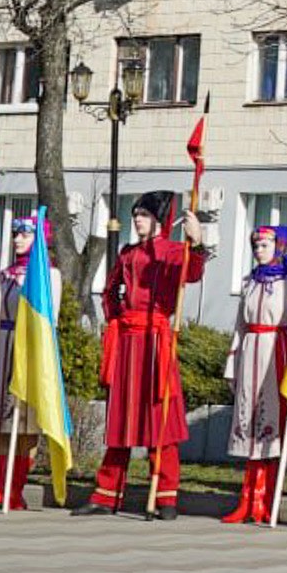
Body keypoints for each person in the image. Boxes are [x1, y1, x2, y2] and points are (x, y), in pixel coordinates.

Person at [74, 191, 206, 519]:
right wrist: (115, 316)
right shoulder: (127, 252)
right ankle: (106, 495)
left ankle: (165, 497)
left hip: (157, 341)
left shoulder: (176, 251)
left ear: (159, 220)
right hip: (128, 341)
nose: (138, 220)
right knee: (121, 418)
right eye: (136, 215)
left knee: (159, 418)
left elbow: (192, 273)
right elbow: (110, 290)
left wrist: (198, 243)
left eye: (144, 215)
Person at [220, 224, 287, 525]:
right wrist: (232, 365)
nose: (259, 250)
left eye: (265, 244)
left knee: (270, 425)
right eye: (255, 244)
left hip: (276, 352)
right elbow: (239, 327)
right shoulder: (249, 281)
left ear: (279, 246)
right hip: (250, 351)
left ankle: (264, 500)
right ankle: (247, 501)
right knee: (248, 421)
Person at [0, 214, 60, 511]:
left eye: (25, 234)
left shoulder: (47, 275)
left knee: (24, 424)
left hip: (29, 349)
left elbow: (52, 318)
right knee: (1, 422)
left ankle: (15, 489)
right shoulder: (3, 274)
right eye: (15, 234)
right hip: (2, 345)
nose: (17, 239)